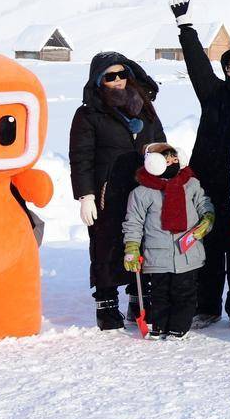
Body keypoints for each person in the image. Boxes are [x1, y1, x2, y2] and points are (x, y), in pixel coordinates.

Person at [168, 0, 230, 328]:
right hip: (206, 184)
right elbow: (197, 65)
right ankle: (206, 307)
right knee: (207, 246)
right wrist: (185, 27)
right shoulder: (212, 93)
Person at [70, 52, 164, 330]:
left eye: (122, 74)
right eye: (110, 76)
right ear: (99, 81)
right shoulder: (88, 114)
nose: (118, 80)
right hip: (107, 192)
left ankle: (139, 300)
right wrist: (86, 195)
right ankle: (107, 305)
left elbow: (160, 142)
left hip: (144, 189)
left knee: (143, 243)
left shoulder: (144, 107)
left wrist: (166, 173)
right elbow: (81, 157)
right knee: (106, 247)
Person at [121, 142, 214, 339]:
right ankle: (160, 325)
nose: (172, 161)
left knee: (184, 292)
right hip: (158, 254)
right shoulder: (142, 192)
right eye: (167, 159)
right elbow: (133, 222)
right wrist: (132, 246)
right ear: (154, 163)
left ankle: (178, 327)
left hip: (187, 252)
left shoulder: (190, 184)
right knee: (159, 293)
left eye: (174, 157)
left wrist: (207, 218)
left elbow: (203, 203)